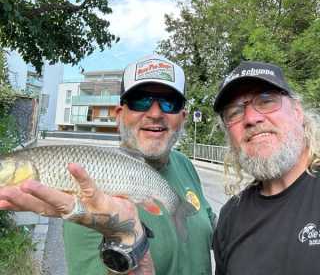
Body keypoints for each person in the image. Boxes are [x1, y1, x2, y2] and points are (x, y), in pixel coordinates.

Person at [0, 56, 215, 275]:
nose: (155, 113)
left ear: (183, 117)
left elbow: (213, 228)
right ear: (119, 115)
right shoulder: (88, 193)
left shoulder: (184, 164)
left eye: (169, 102)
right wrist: (125, 237)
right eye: (140, 100)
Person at [212, 60, 320, 275]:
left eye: (266, 101)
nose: (251, 118)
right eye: (234, 112)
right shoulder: (230, 217)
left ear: (297, 111)